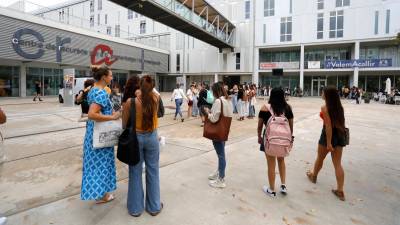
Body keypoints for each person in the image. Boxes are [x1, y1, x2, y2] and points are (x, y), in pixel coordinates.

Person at [122, 75, 162, 217]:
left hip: (136, 139)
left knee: (135, 172)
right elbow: (155, 95)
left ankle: (135, 208)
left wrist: (138, 93)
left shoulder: (130, 102)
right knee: (153, 171)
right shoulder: (156, 99)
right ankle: (154, 206)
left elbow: (124, 124)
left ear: (139, 85)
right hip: (152, 137)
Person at [81, 65, 120, 204]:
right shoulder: (101, 93)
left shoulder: (93, 90)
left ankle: (99, 193)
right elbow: (92, 114)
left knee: (94, 164)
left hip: (93, 132)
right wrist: (112, 117)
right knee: (101, 164)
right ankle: (102, 195)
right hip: (99, 134)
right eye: (110, 75)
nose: (112, 78)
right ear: (104, 77)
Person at [307, 86, 347, 201]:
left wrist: (329, 143)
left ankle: (313, 176)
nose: (321, 94)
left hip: (328, 136)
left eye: (323, 92)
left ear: (327, 95)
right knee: (337, 164)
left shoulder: (325, 108)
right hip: (340, 135)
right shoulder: (340, 107)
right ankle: (340, 190)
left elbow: (328, 127)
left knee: (320, 158)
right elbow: (341, 123)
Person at [257, 88, 294, 197]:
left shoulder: (265, 108)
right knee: (281, 161)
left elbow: (259, 126)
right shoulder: (288, 108)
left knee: (271, 164)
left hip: (269, 139)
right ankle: (283, 185)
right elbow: (291, 127)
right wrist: (290, 139)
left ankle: (272, 189)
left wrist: (259, 136)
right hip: (283, 141)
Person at [204, 82, 233, 188]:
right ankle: (219, 172)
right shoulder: (227, 100)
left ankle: (221, 178)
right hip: (224, 130)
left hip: (217, 131)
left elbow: (214, 118)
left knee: (221, 155)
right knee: (221, 154)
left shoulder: (218, 101)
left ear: (215, 91)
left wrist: (208, 112)